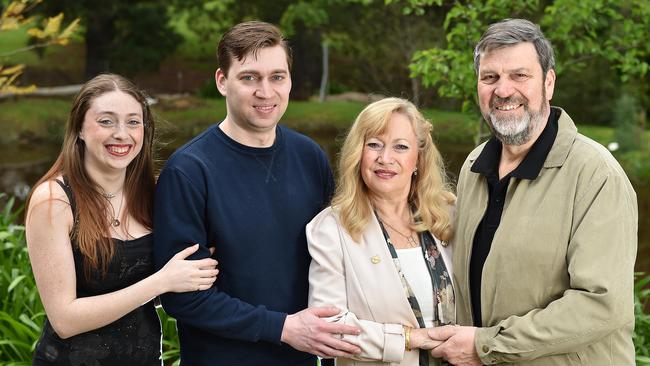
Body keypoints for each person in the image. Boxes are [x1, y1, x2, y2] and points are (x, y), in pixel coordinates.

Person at [428, 18, 638, 366]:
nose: (503, 90)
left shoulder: (596, 175)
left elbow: (602, 305)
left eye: (519, 75)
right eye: (490, 77)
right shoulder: (473, 166)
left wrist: (486, 346)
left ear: (549, 82)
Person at [153, 21, 361, 366]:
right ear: (222, 81)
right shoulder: (189, 171)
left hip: (302, 359)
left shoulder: (309, 157)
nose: (266, 92)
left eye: (277, 77)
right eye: (249, 78)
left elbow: (335, 257)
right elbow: (183, 298)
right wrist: (282, 327)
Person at [25, 74, 219, 365]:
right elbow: (64, 319)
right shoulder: (54, 201)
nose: (122, 134)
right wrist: (162, 281)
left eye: (132, 122)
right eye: (106, 121)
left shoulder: (155, 193)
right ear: (79, 128)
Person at [307, 97, 456, 366]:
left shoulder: (448, 216)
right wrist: (408, 339)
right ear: (358, 153)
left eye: (400, 147)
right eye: (374, 145)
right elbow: (328, 327)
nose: (385, 159)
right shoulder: (331, 229)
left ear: (419, 159)